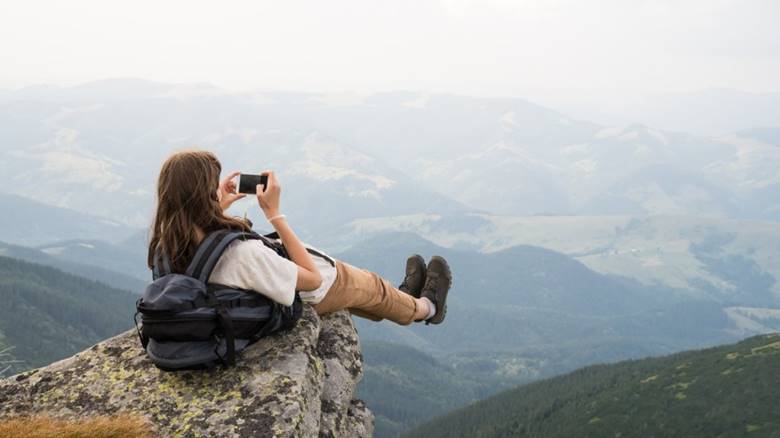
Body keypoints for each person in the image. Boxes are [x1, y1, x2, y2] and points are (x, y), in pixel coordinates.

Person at [147, 150, 451, 326]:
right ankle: (428, 307)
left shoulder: (167, 243)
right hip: (308, 291)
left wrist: (219, 206)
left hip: (248, 291)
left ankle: (406, 298)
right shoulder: (242, 255)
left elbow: (208, 254)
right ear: (202, 194)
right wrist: (275, 215)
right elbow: (312, 280)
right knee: (374, 289)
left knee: (376, 298)